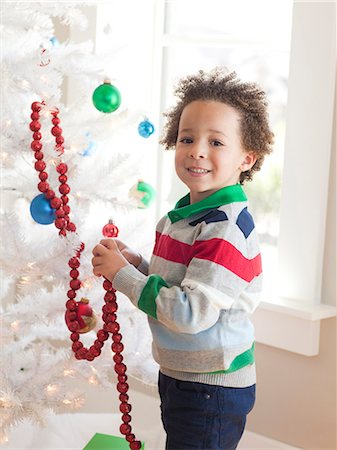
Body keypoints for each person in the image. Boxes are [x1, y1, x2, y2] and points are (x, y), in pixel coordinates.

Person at [92, 67, 274, 450]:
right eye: (187, 138)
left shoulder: (225, 229)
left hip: (211, 386)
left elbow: (189, 313)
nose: (197, 150)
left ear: (247, 158)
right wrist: (138, 264)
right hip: (184, 374)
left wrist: (124, 276)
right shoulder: (184, 218)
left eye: (216, 142)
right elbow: (178, 283)